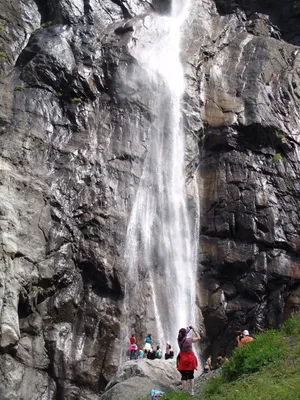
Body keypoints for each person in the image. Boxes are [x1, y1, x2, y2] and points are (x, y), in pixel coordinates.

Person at [177, 326, 200, 396]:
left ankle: (184, 392)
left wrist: (188, 329)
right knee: (191, 375)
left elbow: (184, 333)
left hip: (182, 359)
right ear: (186, 334)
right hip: (190, 359)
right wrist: (194, 330)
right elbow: (199, 338)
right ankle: (192, 391)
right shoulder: (189, 340)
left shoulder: (178, 340)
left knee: (183, 376)